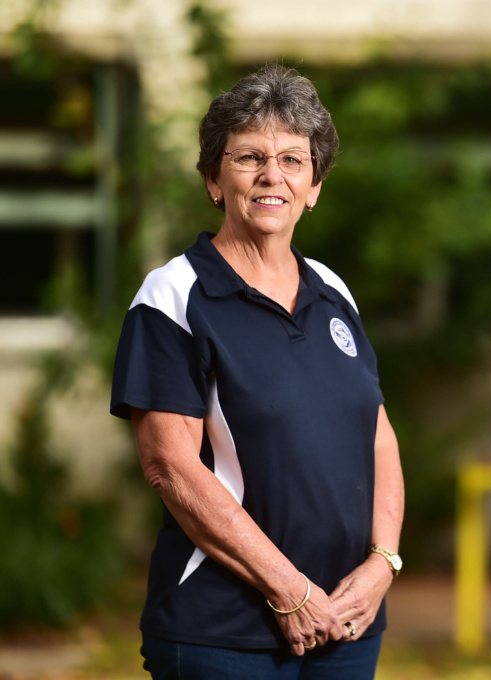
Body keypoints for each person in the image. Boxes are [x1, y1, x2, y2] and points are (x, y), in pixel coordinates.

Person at [110, 65, 404, 680]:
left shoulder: (333, 291)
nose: (274, 176)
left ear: (314, 186)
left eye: (293, 160)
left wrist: (382, 563)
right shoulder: (173, 295)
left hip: (347, 623)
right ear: (214, 180)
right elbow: (171, 466)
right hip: (222, 632)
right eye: (250, 158)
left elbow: (377, 436)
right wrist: (289, 590)